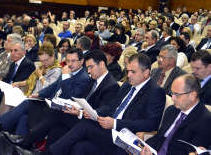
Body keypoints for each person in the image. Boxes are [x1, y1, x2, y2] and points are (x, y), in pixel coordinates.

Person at [32, 53, 166, 155]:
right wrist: (93, 113)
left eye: (133, 72)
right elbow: (110, 107)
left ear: (146, 72)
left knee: (84, 126)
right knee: (77, 144)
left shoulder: (156, 91)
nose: (128, 75)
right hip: (108, 129)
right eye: (128, 71)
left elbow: (151, 124)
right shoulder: (127, 85)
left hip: (123, 135)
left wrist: (114, 123)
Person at [8, 49, 120, 155]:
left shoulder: (111, 85)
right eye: (88, 68)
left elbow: (105, 109)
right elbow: (80, 99)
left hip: (92, 123)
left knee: (58, 113)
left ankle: (25, 141)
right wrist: (77, 108)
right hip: (80, 115)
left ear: (101, 64)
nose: (89, 71)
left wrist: (81, 112)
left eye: (91, 67)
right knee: (57, 128)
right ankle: (30, 145)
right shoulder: (93, 80)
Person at [141, 74, 211, 155]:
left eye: (177, 95)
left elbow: (191, 152)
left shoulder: (205, 120)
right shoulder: (171, 110)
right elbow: (159, 138)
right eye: (172, 93)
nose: (172, 98)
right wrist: (144, 147)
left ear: (192, 95)